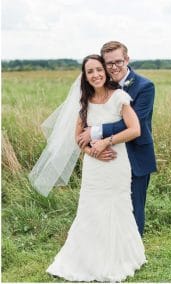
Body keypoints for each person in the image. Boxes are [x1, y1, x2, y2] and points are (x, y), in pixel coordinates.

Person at [46, 54, 146, 282]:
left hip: (116, 162)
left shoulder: (119, 96)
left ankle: (121, 257)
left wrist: (106, 142)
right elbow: (78, 138)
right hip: (95, 165)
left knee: (117, 206)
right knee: (91, 209)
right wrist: (94, 152)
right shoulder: (84, 101)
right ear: (85, 76)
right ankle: (87, 259)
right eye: (90, 71)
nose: (96, 74)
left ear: (106, 71)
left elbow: (135, 129)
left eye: (99, 69)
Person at [77, 41, 157, 236]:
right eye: (109, 63)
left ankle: (134, 251)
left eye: (118, 62)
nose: (114, 67)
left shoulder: (145, 86)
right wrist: (92, 149)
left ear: (127, 60)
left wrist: (96, 132)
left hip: (136, 153)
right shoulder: (102, 87)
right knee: (111, 205)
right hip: (110, 158)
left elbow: (134, 122)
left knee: (134, 205)